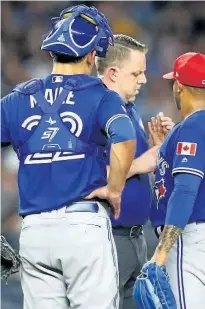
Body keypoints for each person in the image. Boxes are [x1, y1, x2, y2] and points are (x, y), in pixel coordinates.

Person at [1, 5, 137, 309]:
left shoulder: (16, 100)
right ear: (91, 55)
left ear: (53, 51)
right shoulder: (101, 96)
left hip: (34, 232)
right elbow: (125, 140)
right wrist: (114, 189)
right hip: (83, 227)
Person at [95, 34, 174, 309]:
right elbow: (86, 176)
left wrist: (156, 149)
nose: (143, 80)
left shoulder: (128, 110)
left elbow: (135, 173)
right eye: (137, 73)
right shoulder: (95, 111)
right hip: (107, 238)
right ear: (113, 73)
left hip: (135, 238)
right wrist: (143, 162)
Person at [147, 52, 205, 309]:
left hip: (190, 240)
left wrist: (160, 254)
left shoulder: (191, 129)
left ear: (179, 85)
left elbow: (185, 191)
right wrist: (164, 150)